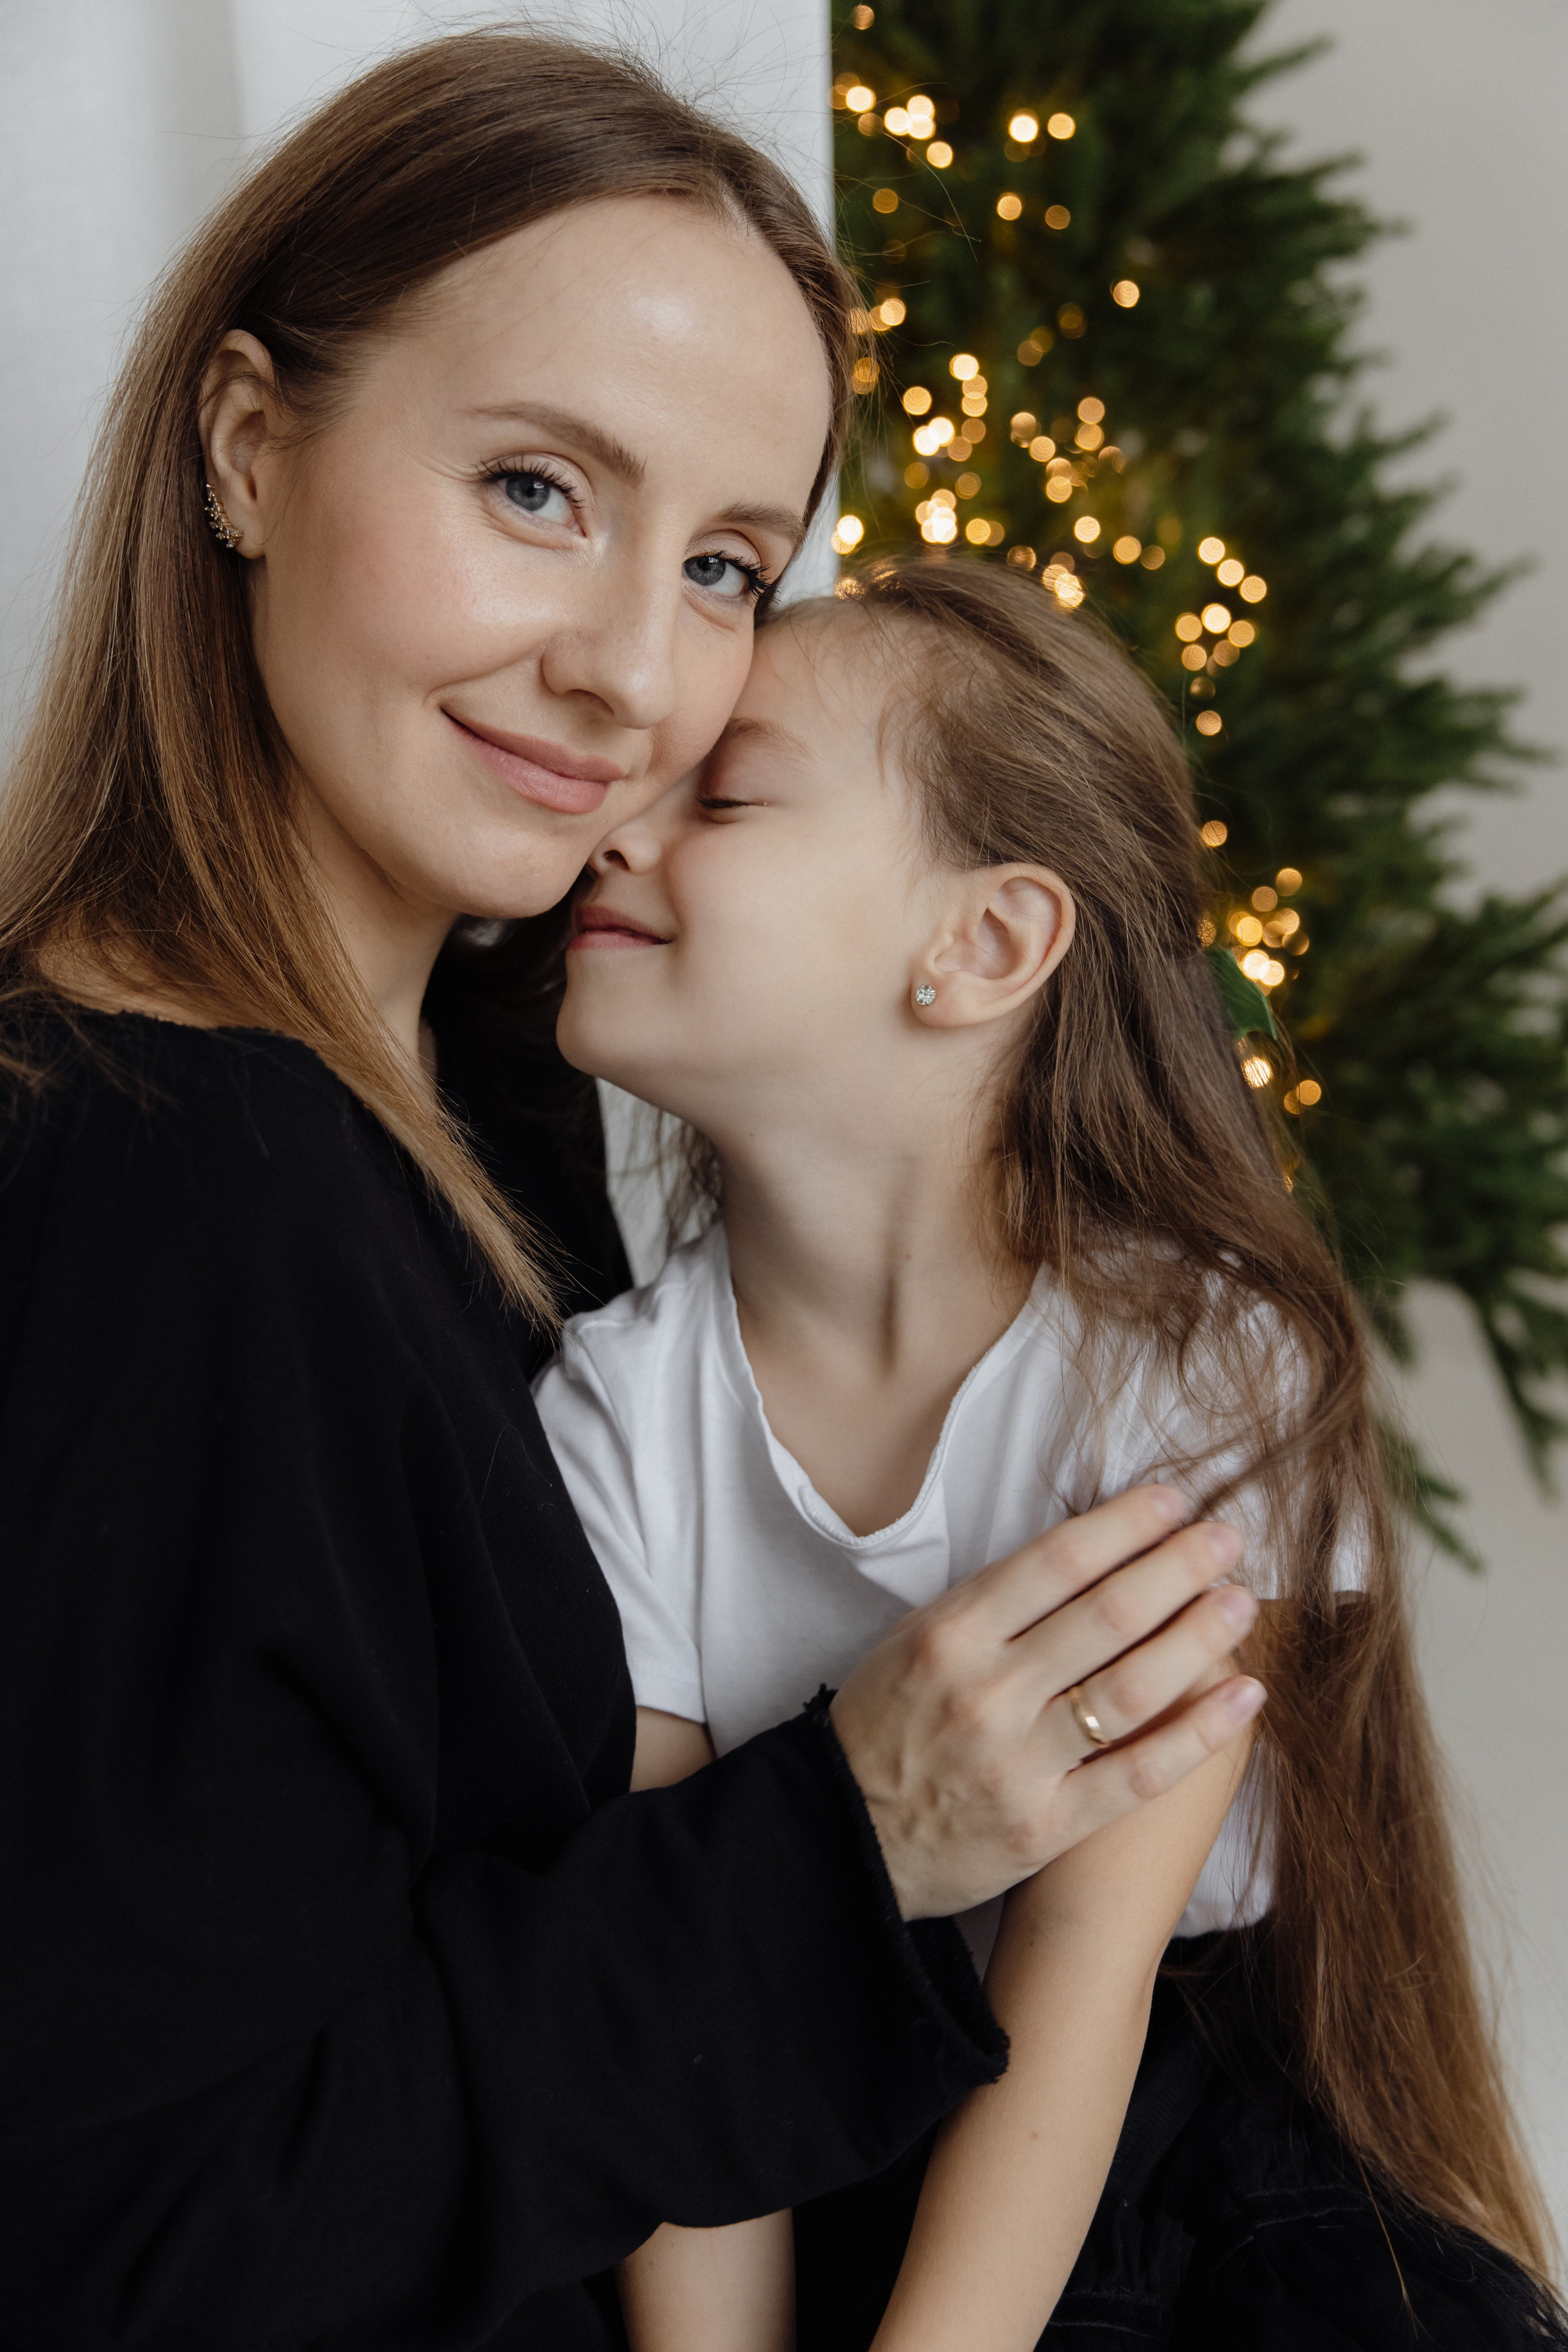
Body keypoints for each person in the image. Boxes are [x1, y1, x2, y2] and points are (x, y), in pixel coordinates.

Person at [0, 34, 1262, 2349]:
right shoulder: (189, 1195)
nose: (630, 674)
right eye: (534, 489)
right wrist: (851, 1837)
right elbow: (141, 2256)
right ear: (249, 445)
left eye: (722, 566)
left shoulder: (493, 1057)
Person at [537, 558, 1566, 2350]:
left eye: (725, 794)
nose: (613, 827)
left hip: (1151, 2158)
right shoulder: (613, 1410)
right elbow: (699, 1996)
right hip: (811, 2125)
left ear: (987, 945)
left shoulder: (1192, 1366)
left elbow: (1084, 1977)